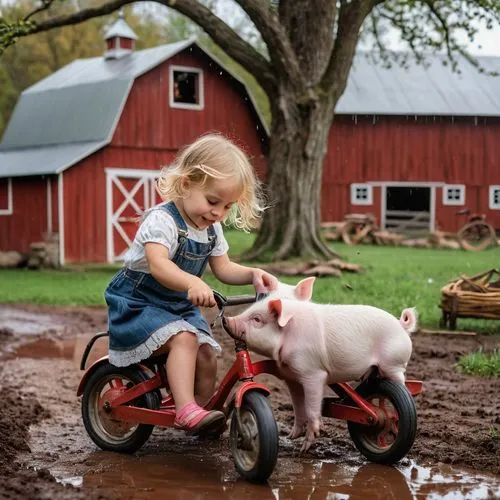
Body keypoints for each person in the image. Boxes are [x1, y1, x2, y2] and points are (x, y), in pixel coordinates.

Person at [105, 133, 278, 435]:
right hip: (139, 303)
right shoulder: (162, 221)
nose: (218, 213)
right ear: (186, 185)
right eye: (213, 201)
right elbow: (159, 265)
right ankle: (185, 410)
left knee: (206, 352)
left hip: (177, 306)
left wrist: (252, 274)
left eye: (227, 207)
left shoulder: (211, 229)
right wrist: (190, 283)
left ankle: (199, 409)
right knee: (186, 338)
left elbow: (223, 268)